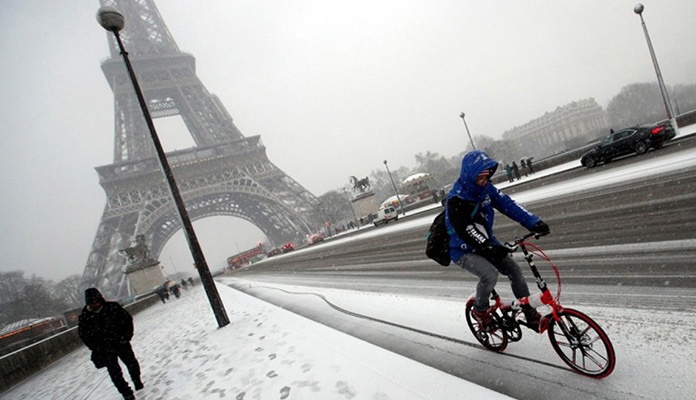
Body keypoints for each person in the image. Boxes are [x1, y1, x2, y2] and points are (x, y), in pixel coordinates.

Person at [444, 150, 550, 332]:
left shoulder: (487, 190)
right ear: (470, 175)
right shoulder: (456, 199)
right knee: (489, 274)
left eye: (487, 176)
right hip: (463, 249)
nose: (484, 181)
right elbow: (466, 229)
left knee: (514, 271)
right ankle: (480, 310)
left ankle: (529, 313)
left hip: (487, 241)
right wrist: (489, 247)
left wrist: (534, 222)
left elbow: (508, 205)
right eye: (480, 177)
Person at [78, 288, 143, 400]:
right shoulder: (84, 317)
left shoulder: (113, 307)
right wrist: (95, 347)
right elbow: (84, 335)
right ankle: (126, 393)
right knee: (114, 373)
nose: (95, 304)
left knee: (132, 363)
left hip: (120, 342)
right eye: (92, 303)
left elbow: (127, 320)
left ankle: (136, 380)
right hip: (104, 348)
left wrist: (126, 337)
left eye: (96, 301)